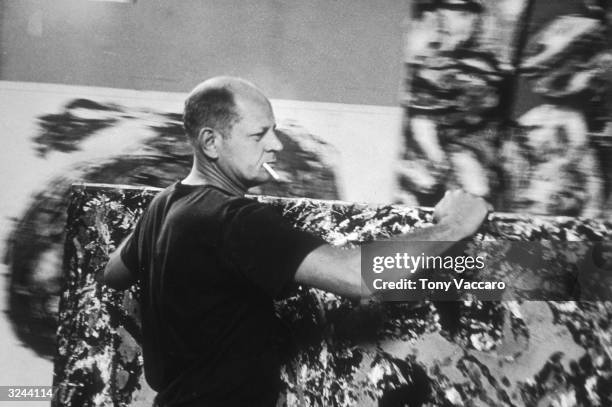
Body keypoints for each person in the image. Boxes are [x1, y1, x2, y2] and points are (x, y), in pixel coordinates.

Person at [104, 76, 490, 406]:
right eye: (259, 134)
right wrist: (451, 228)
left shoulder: (163, 205)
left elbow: (114, 273)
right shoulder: (235, 220)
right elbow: (357, 276)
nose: (276, 145)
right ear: (210, 143)